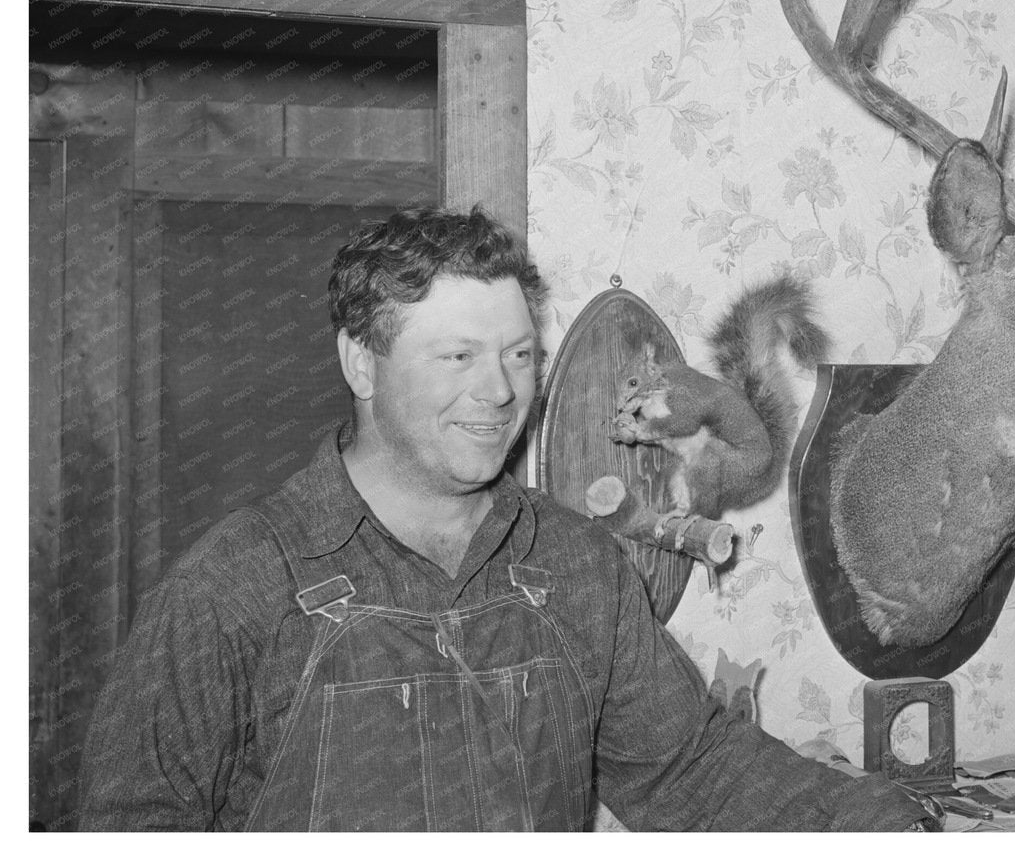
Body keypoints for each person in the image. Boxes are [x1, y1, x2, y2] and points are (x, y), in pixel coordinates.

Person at [78, 206, 934, 832]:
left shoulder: (576, 564)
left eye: (519, 355)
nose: (499, 392)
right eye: (457, 355)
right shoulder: (234, 583)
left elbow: (692, 769)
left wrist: (883, 824)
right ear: (360, 361)